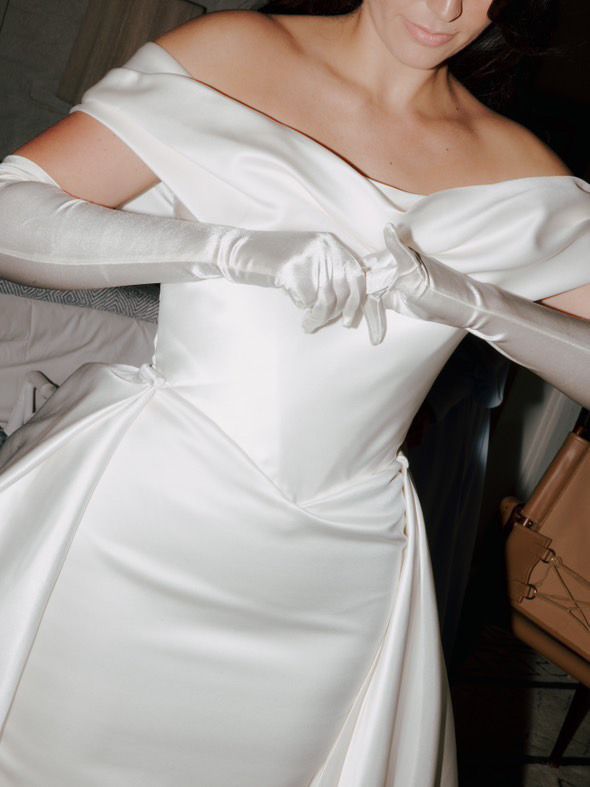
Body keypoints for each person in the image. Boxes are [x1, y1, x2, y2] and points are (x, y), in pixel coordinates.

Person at [0, 1, 589, 785]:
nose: (446, 8)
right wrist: (225, 250)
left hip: (336, 577)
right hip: (139, 520)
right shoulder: (238, 53)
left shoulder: (516, 167)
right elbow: (15, 205)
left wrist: (480, 306)